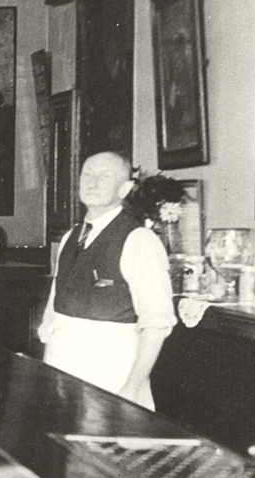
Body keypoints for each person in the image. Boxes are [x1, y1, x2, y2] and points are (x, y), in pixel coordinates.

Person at [39, 152, 175, 409]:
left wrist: (133, 387)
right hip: (61, 366)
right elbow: (56, 299)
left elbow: (156, 323)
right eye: (87, 175)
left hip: (112, 375)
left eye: (105, 176)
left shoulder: (139, 240)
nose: (93, 182)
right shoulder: (70, 236)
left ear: (124, 188)